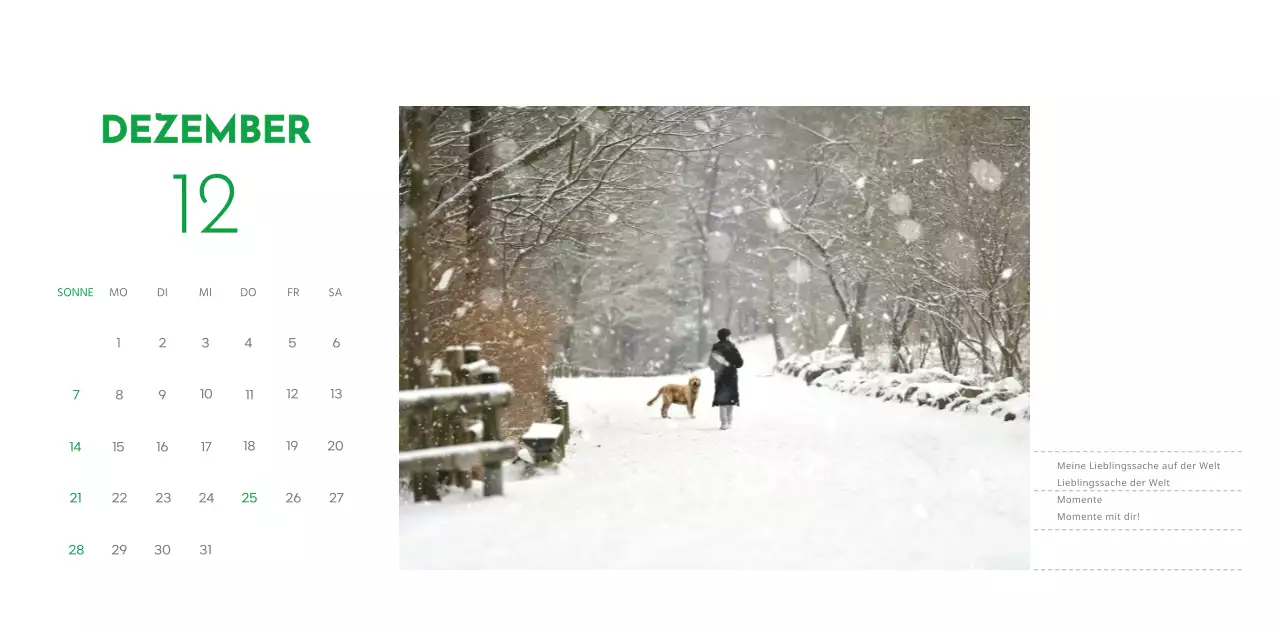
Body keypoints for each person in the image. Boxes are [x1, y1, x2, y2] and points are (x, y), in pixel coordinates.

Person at [708, 328, 744, 430]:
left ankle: (723, 423)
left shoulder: (716, 348)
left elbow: (711, 364)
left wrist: (718, 368)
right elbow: (740, 363)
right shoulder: (732, 347)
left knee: (722, 399)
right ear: (727, 336)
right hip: (731, 376)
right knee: (731, 399)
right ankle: (729, 421)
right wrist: (731, 364)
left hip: (720, 376)